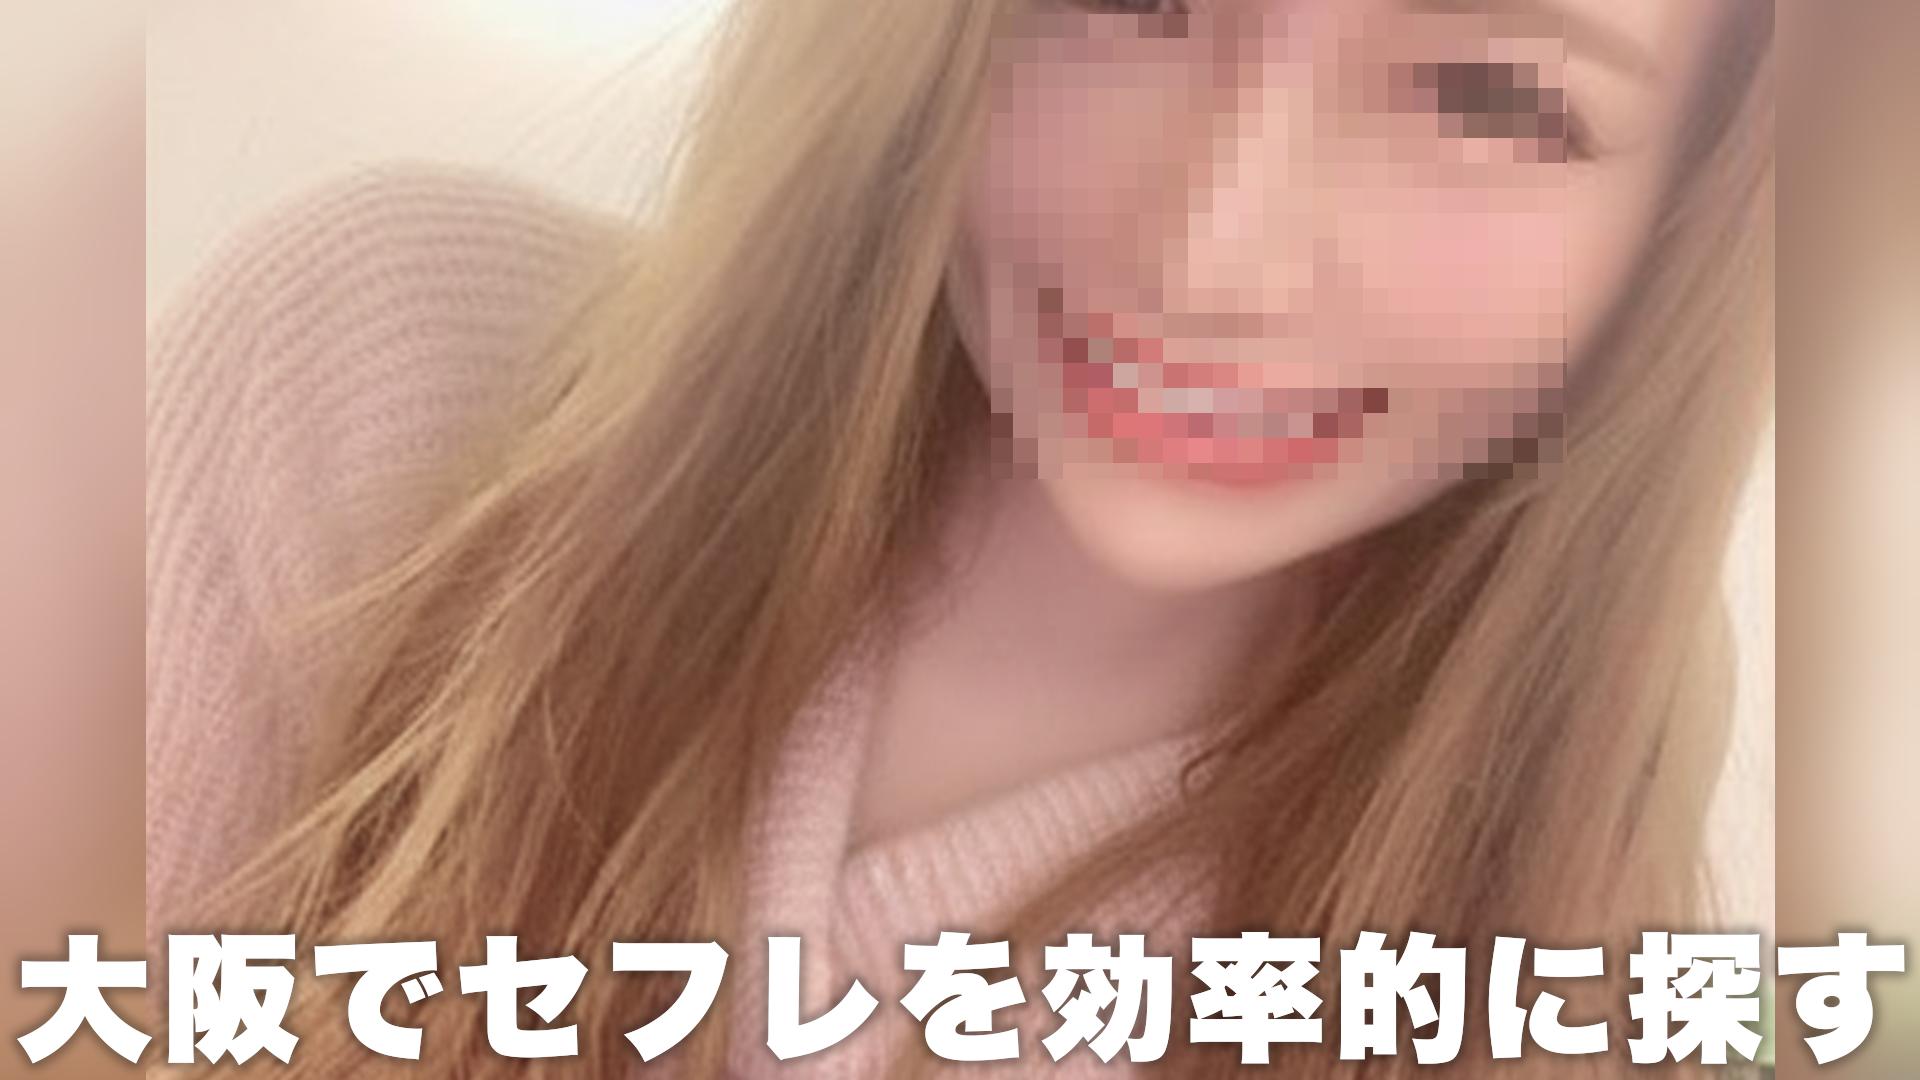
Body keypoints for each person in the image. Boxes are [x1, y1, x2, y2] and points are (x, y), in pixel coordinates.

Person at [147, 0, 1773, 1075]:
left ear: (1687, 205)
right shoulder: (382, 390)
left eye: (1493, 97)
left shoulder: (1573, 978)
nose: (1212, 255)